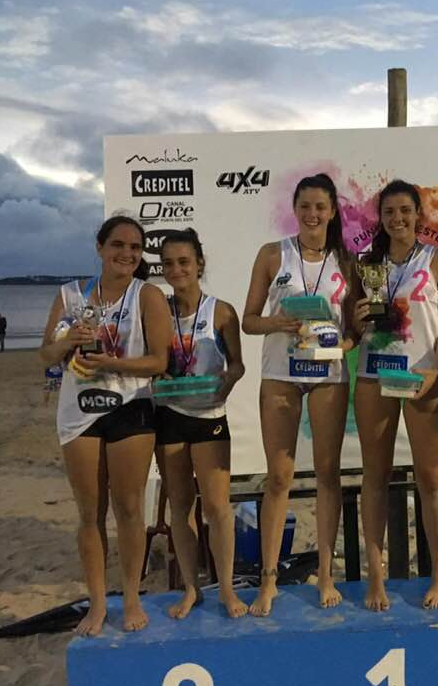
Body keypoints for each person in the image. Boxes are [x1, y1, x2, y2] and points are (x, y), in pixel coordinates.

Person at [38, 212, 172, 636]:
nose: (127, 253)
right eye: (118, 245)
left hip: (130, 406)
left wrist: (114, 363)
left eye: (135, 247)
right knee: (89, 514)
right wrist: (69, 342)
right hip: (79, 412)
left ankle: (130, 597)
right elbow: (45, 355)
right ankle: (97, 603)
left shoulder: (147, 295)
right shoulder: (70, 295)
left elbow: (159, 362)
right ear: (100, 248)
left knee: (130, 509)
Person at [242, 173, 355, 616]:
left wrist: (341, 345)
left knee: (328, 475)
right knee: (278, 477)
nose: (312, 214)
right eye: (305, 205)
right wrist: (279, 323)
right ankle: (267, 581)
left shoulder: (348, 259)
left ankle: (326, 574)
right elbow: (251, 319)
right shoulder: (273, 254)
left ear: (332, 211)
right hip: (280, 372)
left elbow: (357, 328)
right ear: (296, 208)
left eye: (320, 207)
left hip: (327, 373)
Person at [353, 179, 438, 611]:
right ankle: (376, 577)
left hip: (421, 377)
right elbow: (351, 328)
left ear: (419, 215)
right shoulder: (366, 264)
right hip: (374, 375)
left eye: (405, 211)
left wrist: (435, 368)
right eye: (390, 212)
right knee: (374, 476)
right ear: (380, 218)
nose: (397, 219)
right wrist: (358, 318)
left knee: (430, 477)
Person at [155, 229, 247, 619]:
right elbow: (150, 361)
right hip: (169, 415)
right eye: (169, 264)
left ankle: (226, 589)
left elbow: (238, 364)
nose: (177, 270)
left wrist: (229, 381)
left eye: (184, 262)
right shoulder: (157, 311)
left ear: (199, 265)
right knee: (180, 507)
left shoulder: (221, 311)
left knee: (217, 507)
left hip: (209, 415)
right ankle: (191, 588)